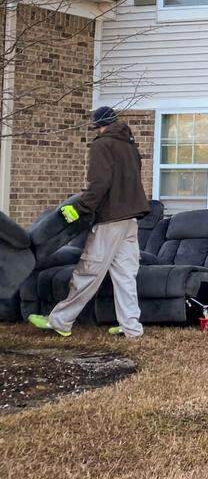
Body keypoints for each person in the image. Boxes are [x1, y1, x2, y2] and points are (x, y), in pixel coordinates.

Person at [28, 107, 150, 338]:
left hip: (110, 220)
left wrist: (80, 208)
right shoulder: (130, 146)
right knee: (125, 274)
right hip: (130, 219)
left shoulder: (101, 145)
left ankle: (60, 321)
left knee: (88, 271)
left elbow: (99, 184)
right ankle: (132, 328)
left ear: (99, 126)